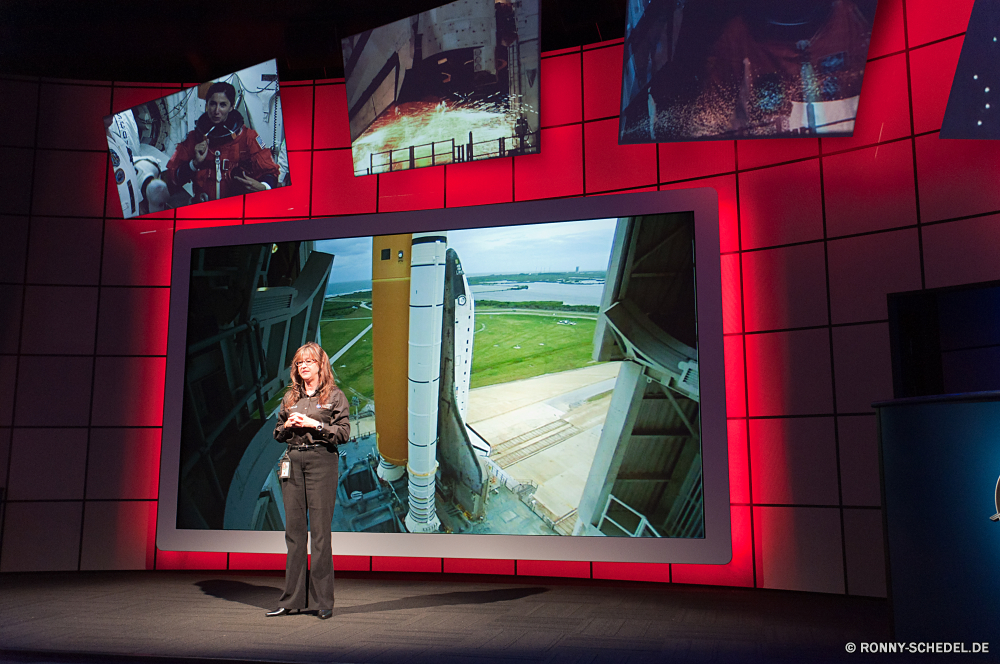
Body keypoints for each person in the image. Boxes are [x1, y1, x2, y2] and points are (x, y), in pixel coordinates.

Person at [266, 342, 350, 620]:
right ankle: (291, 599)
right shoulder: (290, 398)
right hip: (293, 461)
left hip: (321, 462)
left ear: (320, 366)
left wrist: (315, 425)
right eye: (299, 363)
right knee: (294, 534)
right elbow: (277, 433)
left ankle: (324, 601)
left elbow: (343, 433)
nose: (303, 366)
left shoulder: (335, 396)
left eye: (309, 362)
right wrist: (287, 426)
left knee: (321, 534)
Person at [165, 81, 280, 201]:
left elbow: (271, 172)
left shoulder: (247, 137)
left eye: (223, 105)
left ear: (231, 107)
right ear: (207, 105)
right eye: (213, 104)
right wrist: (194, 164)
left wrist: (263, 187)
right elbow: (173, 177)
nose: (216, 111)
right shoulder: (194, 138)